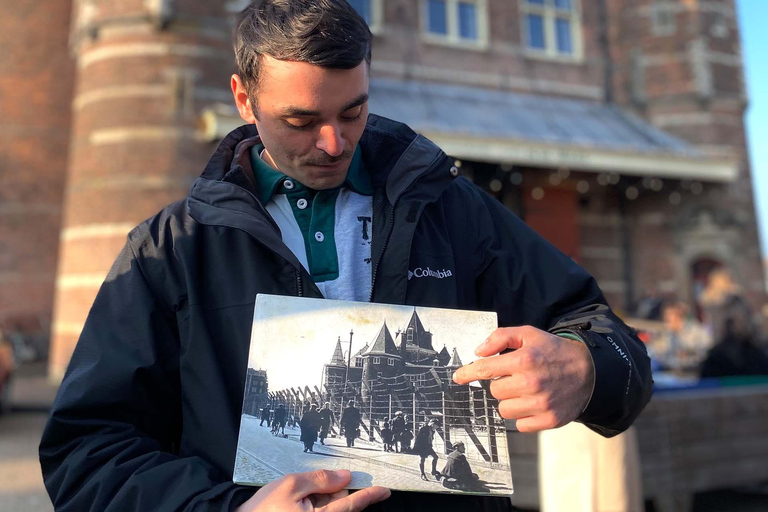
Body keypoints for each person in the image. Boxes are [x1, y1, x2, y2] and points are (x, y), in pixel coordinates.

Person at [39, 1, 651, 511]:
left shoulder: (450, 208)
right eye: (300, 121)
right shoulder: (172, 248)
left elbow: (604, 333)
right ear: (244, 100)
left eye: (352, 111)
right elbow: (87, 451)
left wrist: (585, 367)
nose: (333, 144)